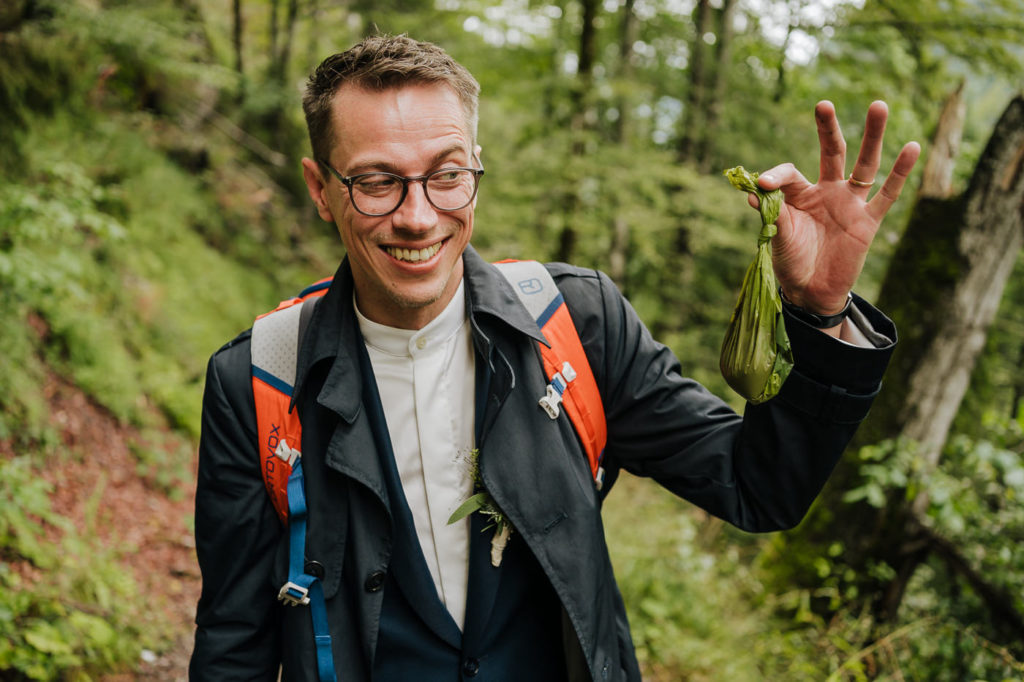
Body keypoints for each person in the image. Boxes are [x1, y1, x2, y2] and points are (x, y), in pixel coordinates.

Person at [189, 34, 920, 681]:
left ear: (476, 168)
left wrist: (819, 315)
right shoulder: (258, 378)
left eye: (446, 174)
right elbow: (235, 640)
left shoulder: (575, 323)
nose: (417, 216)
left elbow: (757, 489)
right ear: (322, 189)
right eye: (377, 181)